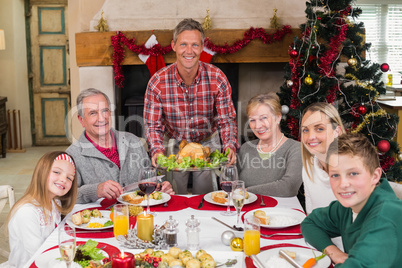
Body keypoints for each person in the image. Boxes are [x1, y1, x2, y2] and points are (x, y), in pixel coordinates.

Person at [144, 18, 239, 194]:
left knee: (205, 196)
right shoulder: (157, 82)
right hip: (173, 143)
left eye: (195, 45)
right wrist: (157, 151)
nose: (189, 51)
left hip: (206, 142)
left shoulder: (217, 78)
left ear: (202, 46)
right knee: (173, 195)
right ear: (173, 45)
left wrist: (230, 144)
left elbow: (227, 120)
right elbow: (153, 125)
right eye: (183, 44)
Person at [301, 133, 402, 267]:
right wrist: (334, 252)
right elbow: (310, 223)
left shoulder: (387, 216)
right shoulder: (348, 206)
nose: (343, 184)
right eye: (335, 175)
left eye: (353, 173)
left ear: (375, 176)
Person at [67, 88, 174, 204]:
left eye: (105, 111)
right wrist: (94, 190)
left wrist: (161, 187)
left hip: (140, 216)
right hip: (102, 220)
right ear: (81, 120)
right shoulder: (72, 155)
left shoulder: (133, 141)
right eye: (93, 113)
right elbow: (64, 198)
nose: (102, 118)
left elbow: (151, 178)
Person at [5, 151, 77, 267]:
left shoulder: (55, 204)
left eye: (69, 178)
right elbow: (39, 255)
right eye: (57, 172)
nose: (64, 179)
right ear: (42, 172)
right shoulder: (27, 212)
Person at [237, 93, 302, 196]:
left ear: (278, 118)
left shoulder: (295, 149)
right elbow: (232, 183)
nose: (257, 126)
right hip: (245, 210)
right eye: (252, 120)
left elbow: (290, 187)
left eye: (263, 118)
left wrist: (246, 192)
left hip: (280, 211)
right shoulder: (246, 148)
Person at [300, 102, 345, 214]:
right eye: (305, 130)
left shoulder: (352, 170)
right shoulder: (309, 167)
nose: (310, 137)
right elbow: (311, 215)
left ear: (337, 132)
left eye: (319, 129)